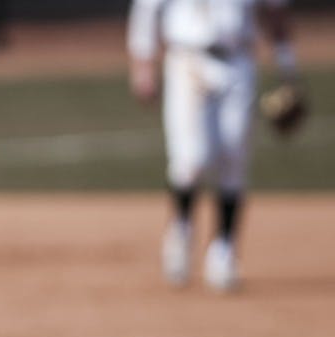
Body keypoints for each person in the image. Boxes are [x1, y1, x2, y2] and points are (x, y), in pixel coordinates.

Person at [127, 0, 301, 292]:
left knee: (234, 158)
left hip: (239, 63)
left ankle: (224, 250)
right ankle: (181, 231)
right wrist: (143, 66)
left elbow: (275, 11)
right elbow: (146, 9)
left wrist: (287, 66)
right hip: (186, 61)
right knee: (191, 160)